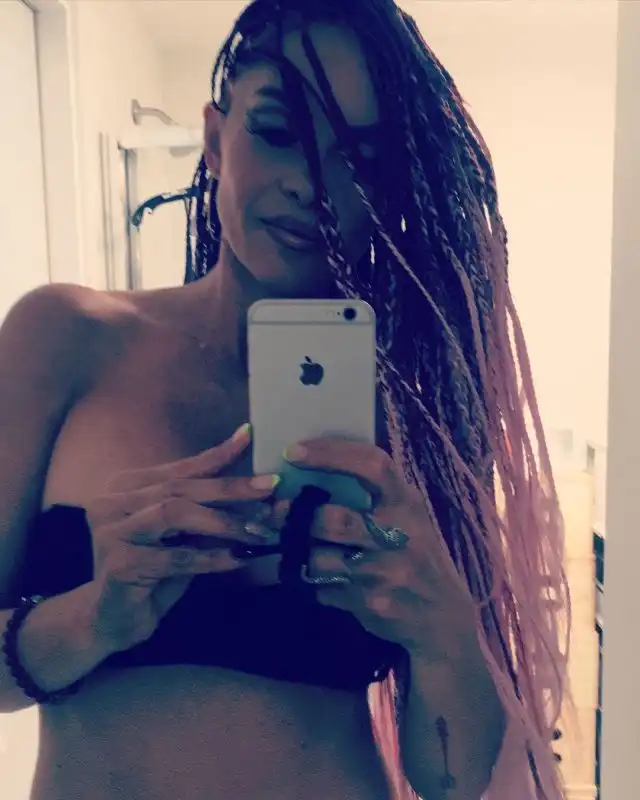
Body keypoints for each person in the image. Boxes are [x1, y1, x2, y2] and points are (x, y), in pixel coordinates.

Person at [0, 1, 569, 798]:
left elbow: (452, 781)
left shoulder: (413, 411)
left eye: (360, 159)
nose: (312, 185)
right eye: (277, 131)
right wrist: (93, 615)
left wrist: (442, 634)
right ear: (214, 138)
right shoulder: (66, 338)